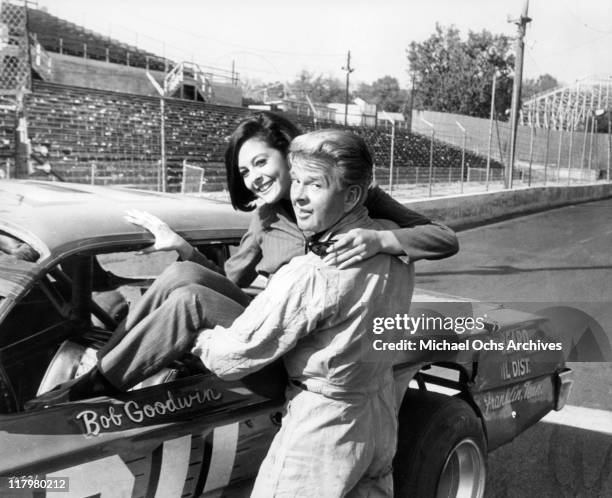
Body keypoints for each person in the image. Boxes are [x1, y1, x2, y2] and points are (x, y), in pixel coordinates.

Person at [29, 112, 457, 404]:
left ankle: (88, 390)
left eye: (260, 163)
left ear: (291, 153)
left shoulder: (355, 196)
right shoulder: (265, 219)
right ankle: (106, 362)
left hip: (298, 360)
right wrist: (180, 247)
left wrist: (381, 240)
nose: (253, 179)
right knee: (183, 274)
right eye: (245, 172)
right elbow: (227, 284)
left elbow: (443, 237)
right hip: (268, 329)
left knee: (189, 301)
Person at [191, 129, 413, 496]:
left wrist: (200, 339)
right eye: (296, 180)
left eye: (315, 185)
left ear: (352, 195)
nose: (299, 197)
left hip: (323, 428)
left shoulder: (309, 273)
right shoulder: (392, 240)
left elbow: (231, 358)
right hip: (380, 415)